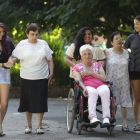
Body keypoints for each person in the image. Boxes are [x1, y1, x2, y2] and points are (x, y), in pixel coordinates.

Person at [9, 23, 54, 134]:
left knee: (40, 103)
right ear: (27, 34)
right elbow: (14, 56)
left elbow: (50, 59)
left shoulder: (43, 44)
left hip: (41, 77)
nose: (34, 37)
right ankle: (29, 125)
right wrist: (11, 62)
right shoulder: (22, 44)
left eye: (36, 34)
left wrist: (51, 73)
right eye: (32, 34)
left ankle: (39, 126)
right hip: (26, 77)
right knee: (27, 103)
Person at [72, 44, 110, 124]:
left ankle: (106, 117)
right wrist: (84, 88)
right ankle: (92, 117)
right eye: (85, 54)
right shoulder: (77, 67)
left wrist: (91, 73)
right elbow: (78, 80)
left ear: (92, 55)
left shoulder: (98, 65)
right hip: (87, 86)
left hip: (100, 85)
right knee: (93, 92)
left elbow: (104, 78)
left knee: (106, 90)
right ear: (81, 56)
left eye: (89, 54)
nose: (87, 56)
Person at [105, 31, 132, 132]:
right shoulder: (107, 52)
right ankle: (112, 121)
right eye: (116, 38)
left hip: (124, 81)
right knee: (113, 103)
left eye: (120, 38)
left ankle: (124, 124)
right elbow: (99, 62)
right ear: (111, 42)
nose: (119, 40)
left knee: (124, 103)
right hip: (111, 81)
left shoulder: (127, 53)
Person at [123, 15, 140, 131]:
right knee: (137, 97)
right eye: (134, 24)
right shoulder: (131, 37)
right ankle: (137, 123)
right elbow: (122, 50)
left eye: (137, 23)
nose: (135, 26)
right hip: (134, 70)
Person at [0, 22, 15, 137]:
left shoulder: (8, 42)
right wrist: (3, 64)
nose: (1, 34)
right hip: (3, 68)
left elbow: (13, 55)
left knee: (4, 103)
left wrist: (11, 60)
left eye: (3, 32)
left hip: (4, 74)